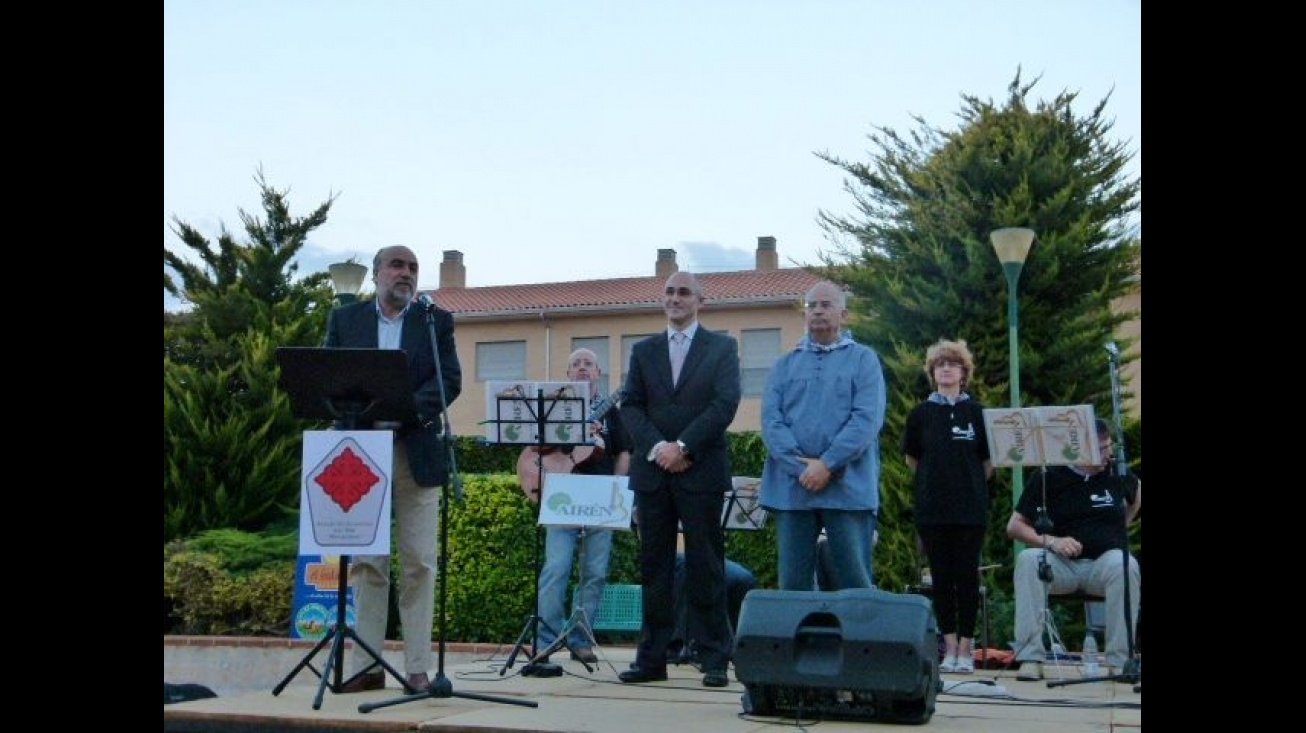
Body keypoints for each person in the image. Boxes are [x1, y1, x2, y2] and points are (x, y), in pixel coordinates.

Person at [324, 245, 462, 693]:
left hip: (414, 449)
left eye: (413, 268)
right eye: (397, 266)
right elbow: (330, 377)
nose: (406, 274)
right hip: (360, 453)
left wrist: (402, 408)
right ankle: (366, 665)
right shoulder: (346, 321)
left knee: (420, 560)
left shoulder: (434, 321)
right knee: (367, 561)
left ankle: (418, 666)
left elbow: (450, 381)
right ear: (378, 274)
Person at [617, 271, 741, 688]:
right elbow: (630, 405)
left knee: (707, 564)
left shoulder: (722, 347)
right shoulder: (643, 350)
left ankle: (714, 658)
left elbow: (725, 404)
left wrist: (683, 447)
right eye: (669, 292)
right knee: (654, 567)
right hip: (653, 474)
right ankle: (652, 658)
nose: (675, 298)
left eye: (684, 292)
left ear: (700, 301)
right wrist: (658, 450)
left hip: (700, 470)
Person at [759, 280, 886, 591]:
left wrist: (827, 464)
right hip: (793, 489)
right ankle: (800, 641)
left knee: (853, 581)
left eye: (825, 305)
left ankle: (856, 641)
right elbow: (771, 422)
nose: (817, 310)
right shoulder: (783, 365)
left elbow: (866, 420)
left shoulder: (864, 360)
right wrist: (803, 469)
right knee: (792, 584)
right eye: (811, 305)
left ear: (843, 315)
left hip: (849, 488)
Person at [515, 348, 631, 665]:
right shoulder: (554, 407)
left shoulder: (612, 413)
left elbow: (624, 452)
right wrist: (572, 434)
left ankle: (581, 639)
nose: (582, 368)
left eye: (588, 364)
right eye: (576, 364)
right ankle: (546, 640)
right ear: (568, 374)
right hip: (561, 493)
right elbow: (535, 446)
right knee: (556, 568)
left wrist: (616, 488)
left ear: (598, 373)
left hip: (598, 496)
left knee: (594, 572)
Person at [1006, 418, 1142, 681]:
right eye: (1100, 449)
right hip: (1062, 565)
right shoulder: (1049, 477)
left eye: (1108, 447)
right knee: (1027, 560)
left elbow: (1137, 496)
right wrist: (1051, 542)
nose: (1108, 455)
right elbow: (1015, 526)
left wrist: (1120, 526)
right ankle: (1030, 658)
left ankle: (1119, 661)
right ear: (1078, 448)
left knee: (1126, 564)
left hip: (1103, 564)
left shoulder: (1117, 474)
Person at [901, 339, 994, 674]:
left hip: (970, 509)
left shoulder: (979, 413)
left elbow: (988, 463)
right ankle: (950, 646)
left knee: (967, 578)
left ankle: (968, 648)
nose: (945, 369)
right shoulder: (920, 414)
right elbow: (913, 459)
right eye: (939, 364)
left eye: (952, 364)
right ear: (932, 372)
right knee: (940, 578)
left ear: (963, 371)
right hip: (933, 509)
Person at [669, 553, 756, 667]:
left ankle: (735, 645)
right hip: (677, 556)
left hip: (708, 555)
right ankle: (680, 644)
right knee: (686, 565)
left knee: (744, 578)